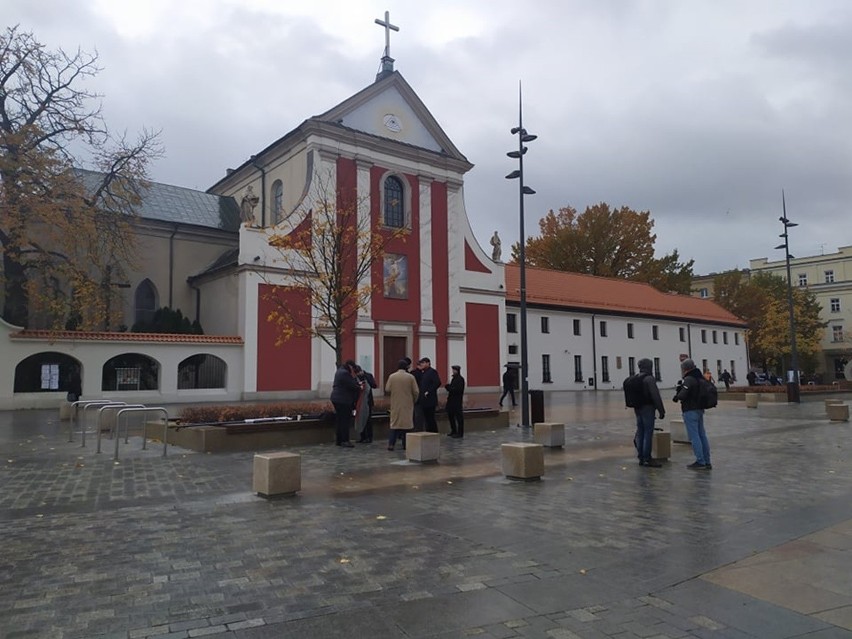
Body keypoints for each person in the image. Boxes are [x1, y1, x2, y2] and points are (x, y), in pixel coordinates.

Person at [673, 358, 712, 470]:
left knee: (694, 436)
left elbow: (683, 394)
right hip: (699, 409)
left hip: (690, 410)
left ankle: (700, 461)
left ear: (685, 369)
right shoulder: (699, 377)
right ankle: (707, 460)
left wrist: (677, 394)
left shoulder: (689, 379)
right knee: (702, 435)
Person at [630, 358, 665, 467]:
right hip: (648, 408)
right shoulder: (649, 379)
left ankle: (641, 457)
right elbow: (655, 395)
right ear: (649, 367)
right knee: (648, 433)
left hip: (637, 408)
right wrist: (661, 410)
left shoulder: (636, 378)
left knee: (640, 432)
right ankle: (647, 458)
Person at [385, 359, 420, 451]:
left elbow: (387, 389)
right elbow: (416, 391)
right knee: (407, 425)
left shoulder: (392, 376)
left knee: (394, 424)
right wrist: (413, 400)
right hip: (407, 404)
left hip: (395, 403)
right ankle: (405, 445)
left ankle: (391, 444)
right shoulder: (410, 377)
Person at [329, 359, 363, 448]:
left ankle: (339, 440)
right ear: (350, 366)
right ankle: (345, 440)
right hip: (343, 400)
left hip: (336, 398)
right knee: (345, 420)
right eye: (353, 368)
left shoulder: (340, 371)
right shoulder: (345, 373)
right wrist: (359, 386)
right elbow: (352, 385)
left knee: (340, 420)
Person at [417, 357, 441, 433]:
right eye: (421, 363)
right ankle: (428, 433)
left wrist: (428, 391)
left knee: (430, 418)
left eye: (423, 363)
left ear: (428, 363)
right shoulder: (424, 372)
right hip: (424, 400)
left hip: (430, 400)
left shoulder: (432, 372)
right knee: (426, 419)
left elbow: (437, 383)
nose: (422, 364)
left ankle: (434, 433)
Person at [353, 366, 377, 443]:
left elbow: (374, 385)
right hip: (359, 401)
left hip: (367, 401)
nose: (358, 375)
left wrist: (366, 379)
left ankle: (369, 437)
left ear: (361, 371)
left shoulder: (368, 375)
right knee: (360, 420)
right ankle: (362, 436)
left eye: (358, 373)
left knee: (368, 419)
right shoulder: (355, 379)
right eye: (356, 374)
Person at [444, 365, 466, 438]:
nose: (453, 371)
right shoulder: (454, 379)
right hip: (451, 401)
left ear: (458, 370)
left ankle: (460, 432)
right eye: (453, 370)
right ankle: (453, 430)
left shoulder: (460, 379)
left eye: (454, 370)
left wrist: (449, 388)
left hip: (457, 401)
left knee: (459, 417)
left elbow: (457, 390)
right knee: (451, 416)